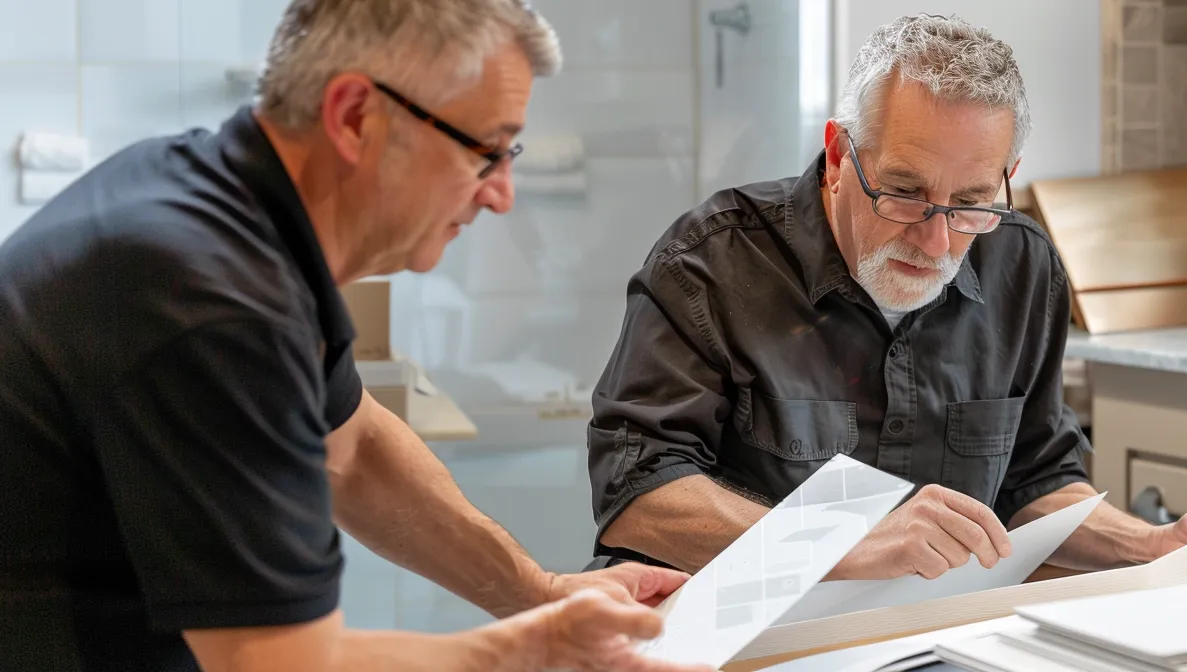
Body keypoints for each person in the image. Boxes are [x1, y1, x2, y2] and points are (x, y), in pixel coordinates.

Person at [0, 1, 707, 671]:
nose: (501, 193)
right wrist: (535, 649)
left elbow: (358, 449)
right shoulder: (208, 297)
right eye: (485, 151)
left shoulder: (228, 207)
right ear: (355, 116)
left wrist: (543, 592)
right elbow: (278, 661)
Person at [584, 14, 1187, 582]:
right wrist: (842, 550)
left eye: (972, 203)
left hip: (925, 637)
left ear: (1006, 179)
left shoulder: (1022, 264)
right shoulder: (713, 260)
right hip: (728, 638)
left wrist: (1150, 548)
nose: (938, 240)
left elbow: (1036, 480)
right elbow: (638, 495)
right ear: (837, 155)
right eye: (905, 192)